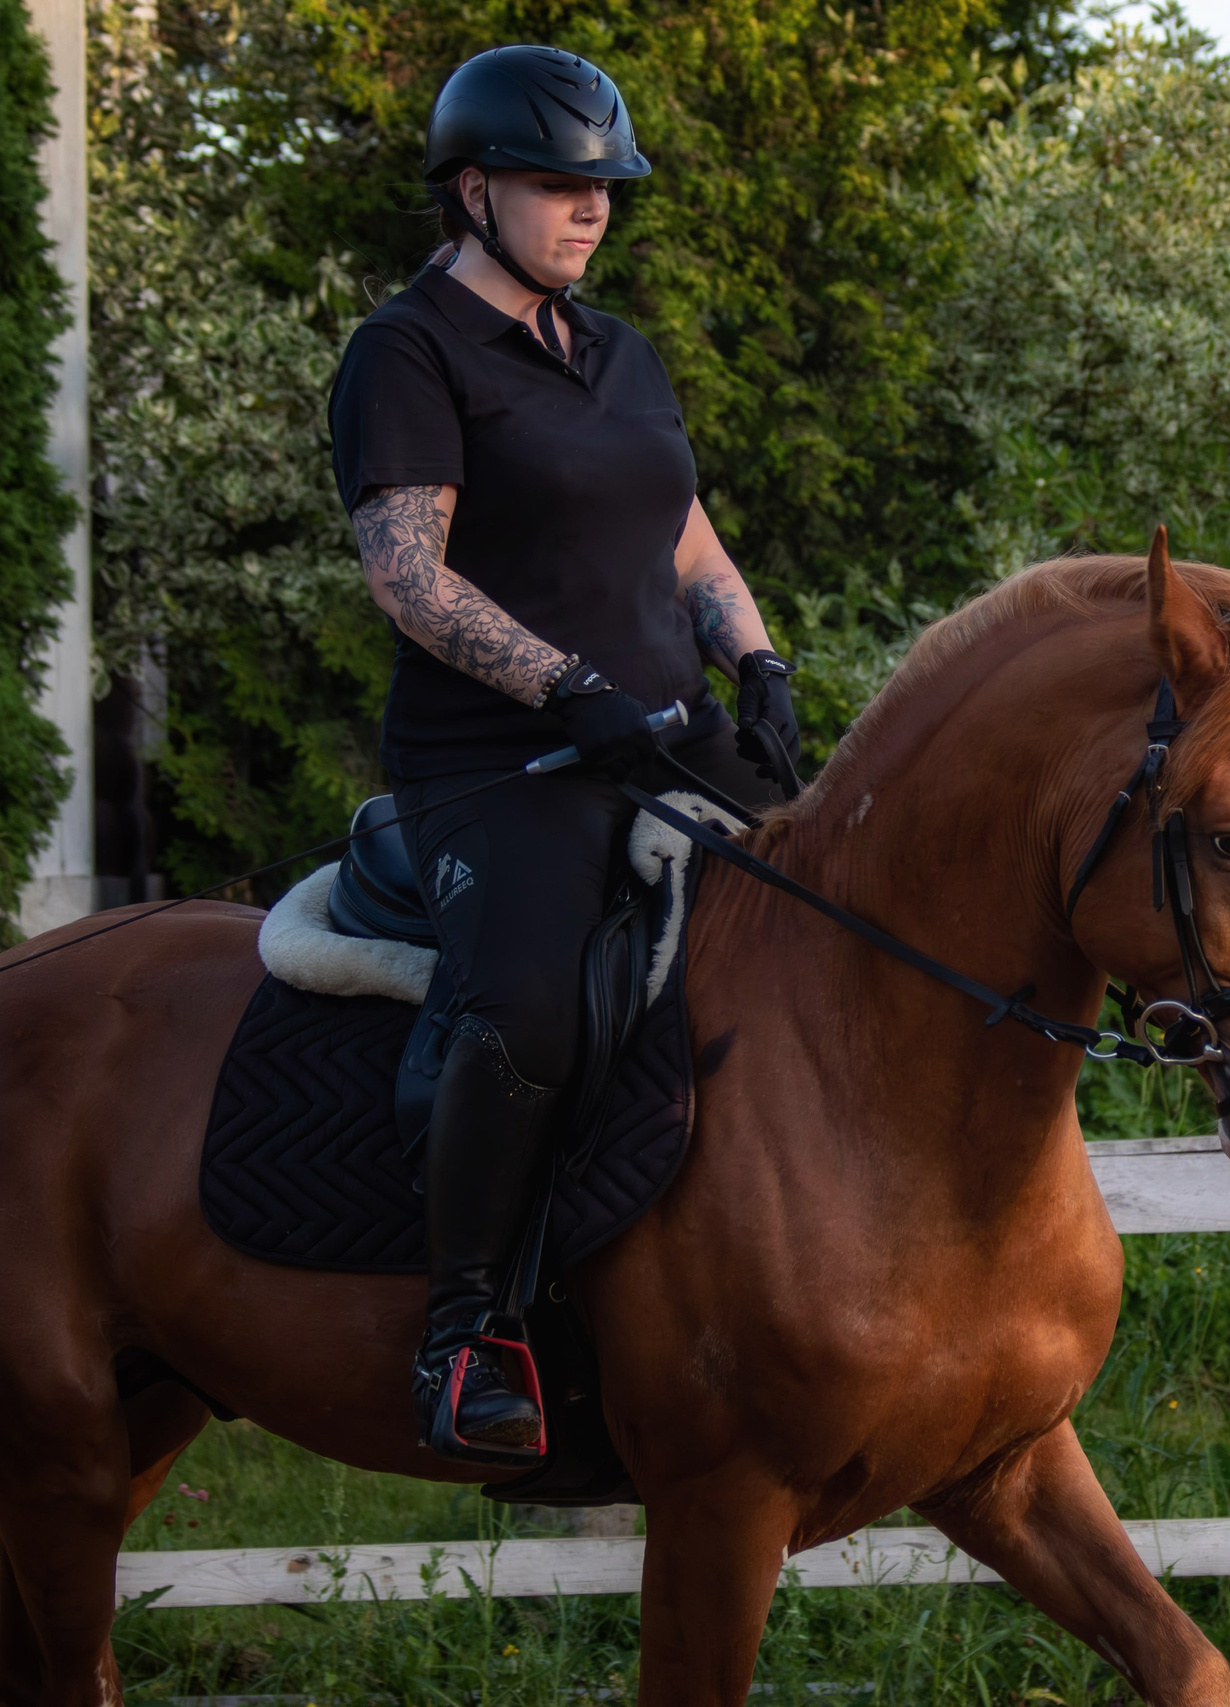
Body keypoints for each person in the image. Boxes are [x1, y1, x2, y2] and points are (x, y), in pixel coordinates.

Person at [326, 45, 800, 1465]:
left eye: (604, 187)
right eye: (556, 186)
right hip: (501, 766)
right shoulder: (406, 352)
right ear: (471, 192)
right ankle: (465, 1330)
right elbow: (407, 578)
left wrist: (757, 659)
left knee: (836, 921)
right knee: (527, 1004)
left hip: (666, 734)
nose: (589, 211)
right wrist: (569, 687)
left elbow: (680, 528)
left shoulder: (618, 351)